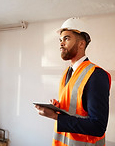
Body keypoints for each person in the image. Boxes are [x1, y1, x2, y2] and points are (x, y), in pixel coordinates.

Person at [35, 17, 111, 146]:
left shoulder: (96, 74)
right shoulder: (67, 73)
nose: (61, 43)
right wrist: (58, 108)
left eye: (66, 38)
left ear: (81, 44)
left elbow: (98, 126)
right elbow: (75, 109)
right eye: (60, 40)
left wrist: (56, 117)